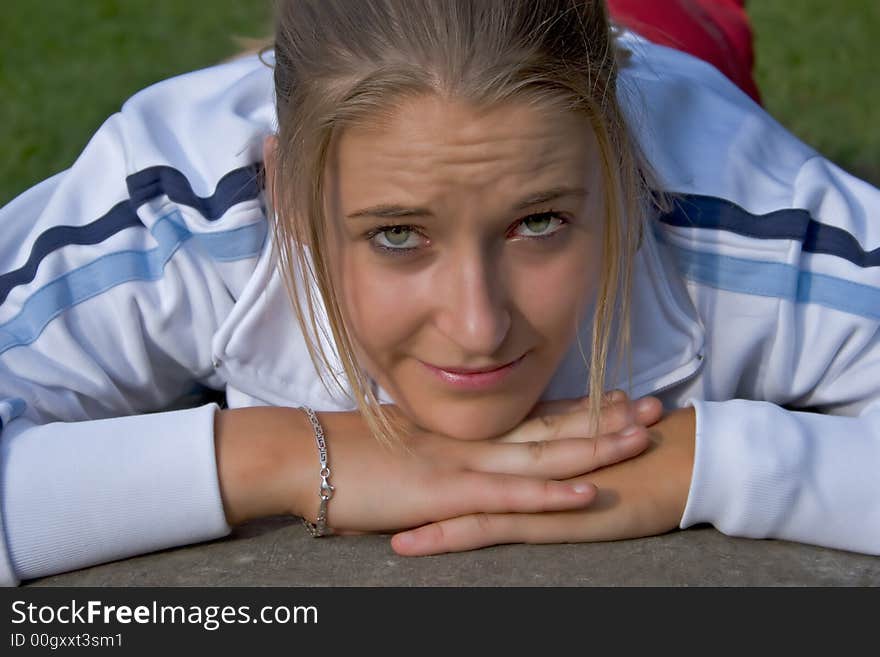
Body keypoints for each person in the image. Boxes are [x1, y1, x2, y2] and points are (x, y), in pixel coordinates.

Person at [1, 0, 878, 587]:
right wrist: (282, 455)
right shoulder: (179, 210)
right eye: (396, 234)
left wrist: (709, 462)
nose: (478, 326)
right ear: (288, 197)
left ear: (620, 175)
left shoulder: (739, 215)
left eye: (538, 222)